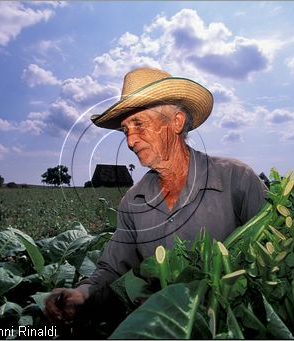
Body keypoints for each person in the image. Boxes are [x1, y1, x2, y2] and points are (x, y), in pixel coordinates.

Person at [45, 67, 267, 325]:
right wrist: (81, 294)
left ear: (176, 122)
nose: (130, 141)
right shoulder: (133, 201)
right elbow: (113, 269)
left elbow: (275, 263)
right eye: (126, 129)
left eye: (138, 124)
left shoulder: (235, 179)